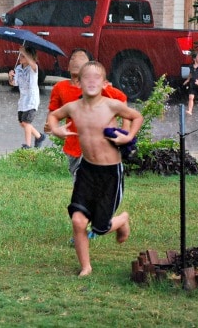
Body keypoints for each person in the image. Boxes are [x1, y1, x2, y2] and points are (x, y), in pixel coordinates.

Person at [47, 61, 143, 277]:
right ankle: (86, 267)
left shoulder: (111, 105)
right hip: (87, 170)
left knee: (99, 227)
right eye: (86, 78)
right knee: (78, 221)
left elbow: (136, 116)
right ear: (78, 82)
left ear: (104, 83)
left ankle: (122, 220)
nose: (91, 81)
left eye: (96, 78)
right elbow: (53, 116)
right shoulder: (73, 107)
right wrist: (56, 129)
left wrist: (128, 136)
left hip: (110, 174)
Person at [44, 48, 128, 177]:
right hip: (74, 148)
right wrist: (51, 126)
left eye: (81, 58)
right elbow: (53, 113)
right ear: (67, 66)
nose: (76, 61)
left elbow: (122, 100)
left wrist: (124, 131)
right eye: (73, 58)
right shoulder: (60, 88)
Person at [8, 46, 46, 149]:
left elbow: (32, 63)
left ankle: (27, 146)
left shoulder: (33, 68)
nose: (21, 57)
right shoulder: (18, 68)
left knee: (26, 122)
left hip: (32, 99)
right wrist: (10, 76)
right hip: (23, 100)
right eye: (20, 55)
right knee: (22, 123)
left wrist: (24, 51)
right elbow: (14, 83)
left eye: (23, 56)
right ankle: (39, 136)